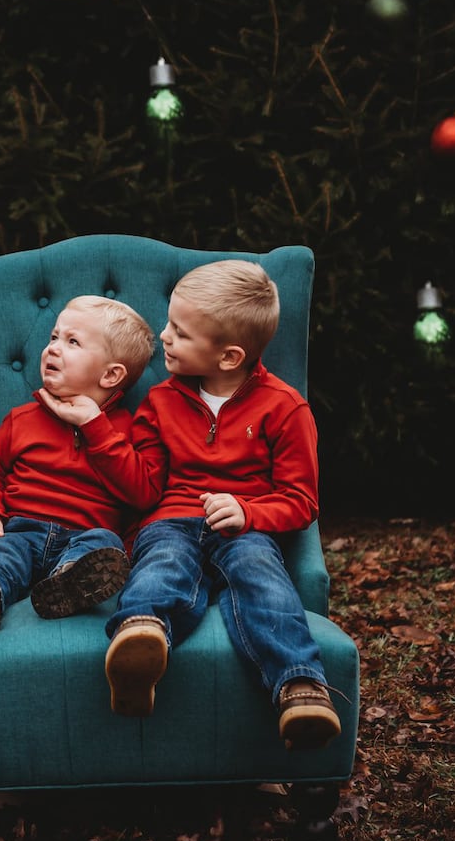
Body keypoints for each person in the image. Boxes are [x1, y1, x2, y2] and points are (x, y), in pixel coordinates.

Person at [41, 260, 339, 749]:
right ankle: (141, 638)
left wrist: (249, 512)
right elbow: (144, 489)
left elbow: (302, 500)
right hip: (172, 518)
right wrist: (94, 424)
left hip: (246, 529)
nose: (164, 337)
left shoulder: (285, 408)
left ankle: (300, 687)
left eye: (179, 332)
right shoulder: (161, 401)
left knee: (262, 576)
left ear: (227, 357)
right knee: (162, 560)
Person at [0, 296, 157, 635]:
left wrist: (94, 426)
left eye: (72, 342)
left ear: (110, 375)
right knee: (4, 557)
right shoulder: (21, 419)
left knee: (105, 543)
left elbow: (142, 492)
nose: (53, 348)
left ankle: (68, 586)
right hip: (22, 530)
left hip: (87, 535)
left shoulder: (129, 430)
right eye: (54, 337)